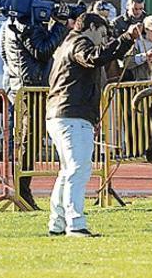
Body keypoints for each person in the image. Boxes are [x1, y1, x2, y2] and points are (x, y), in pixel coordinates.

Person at [45, 13, 138, 237]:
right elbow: (95, 57)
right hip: (72, 114)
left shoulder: (67, 44)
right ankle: (75, 224)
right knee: (78, 169)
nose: (104, 40)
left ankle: (57, 224)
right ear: (92, 27)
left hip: (63, 114)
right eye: (103, 34)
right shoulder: (79, 43)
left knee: (67, 172)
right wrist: (125, 39)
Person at [0, 0, 73, 209]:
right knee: (28, 144)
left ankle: (23, 192)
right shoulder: (23, 23)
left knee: (28, 143)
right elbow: (41, 51)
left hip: (25, 87)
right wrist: (60, 25)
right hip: (29, 89)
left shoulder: (13, 22)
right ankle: (22, 193)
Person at [122, 15, 152, 81]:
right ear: (146, 29)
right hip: (140, 83)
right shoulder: (137, 43)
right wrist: (144, 56)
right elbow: (126, 63)